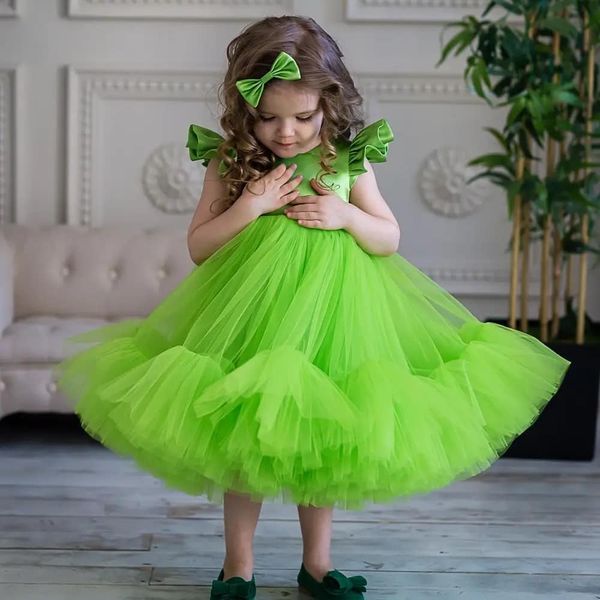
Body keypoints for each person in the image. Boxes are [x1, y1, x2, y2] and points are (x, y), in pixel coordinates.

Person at [54, 15, 571, 600]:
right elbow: (200, 247)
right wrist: (250, 204)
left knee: (323, 439)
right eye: (269, 117)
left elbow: (389, 236)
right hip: (251, 315)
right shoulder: (231, 161)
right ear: (244, 109)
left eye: (303, 117)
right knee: (241, 438)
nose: (287, 133)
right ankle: (237, 566)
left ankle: (317, 564)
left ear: (330, 104)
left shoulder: (347, 158)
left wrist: (347, 216)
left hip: (335, 319)